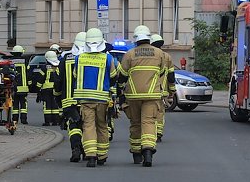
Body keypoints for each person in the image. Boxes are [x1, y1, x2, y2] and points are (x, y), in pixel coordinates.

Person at [116, 25, 175, 167]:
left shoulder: (129, 54)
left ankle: (136, 154)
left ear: (136, 39)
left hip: (133, 95)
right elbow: (162, 73)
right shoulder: (160, 54)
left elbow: (122, 77)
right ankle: (148, 151)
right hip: (152, 95)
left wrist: (120, 94)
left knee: (136, 123)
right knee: (149, 122)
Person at [74, 28, 118, 167]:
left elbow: (75, 75)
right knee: (102, 126)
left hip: (85, 99)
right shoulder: (108, 58)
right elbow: (113, 77)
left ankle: (91, 155)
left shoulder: (79, 58)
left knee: (88, 127)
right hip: (102, 100)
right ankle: (102, 156)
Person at [55, 32, 86, 162]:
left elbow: (58, 81)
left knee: (73, 125)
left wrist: (58, 98)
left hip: (69, 100)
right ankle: (86, 150)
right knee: (86, 125)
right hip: (86, 98)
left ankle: (75, 149)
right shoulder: (90, 57)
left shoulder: (65, 58)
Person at [150, 33, 174, 143]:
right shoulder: (167, 57)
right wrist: (172, 90)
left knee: (149, 113)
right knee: (160, 112)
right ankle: (158, 133)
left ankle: (150, 133)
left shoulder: (150, 56)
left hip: (150, 90)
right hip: (162, 90)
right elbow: (171, 76)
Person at [34, 50, 61, 125]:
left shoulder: (44, 68)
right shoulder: (57, 67)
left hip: (46, 89)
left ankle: (48, 121)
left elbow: (40, 79)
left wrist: (37, 89)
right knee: (55, 105)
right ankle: (56, 121)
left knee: (47, 106)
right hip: (56, 88)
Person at [9, 45, 30, 124]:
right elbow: (28, 73)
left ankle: (15, 120)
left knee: (15, 104)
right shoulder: (25, 61)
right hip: (24, 87)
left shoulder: (11, 61)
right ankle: (24, 120)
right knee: (23, 104)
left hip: (14, 87)